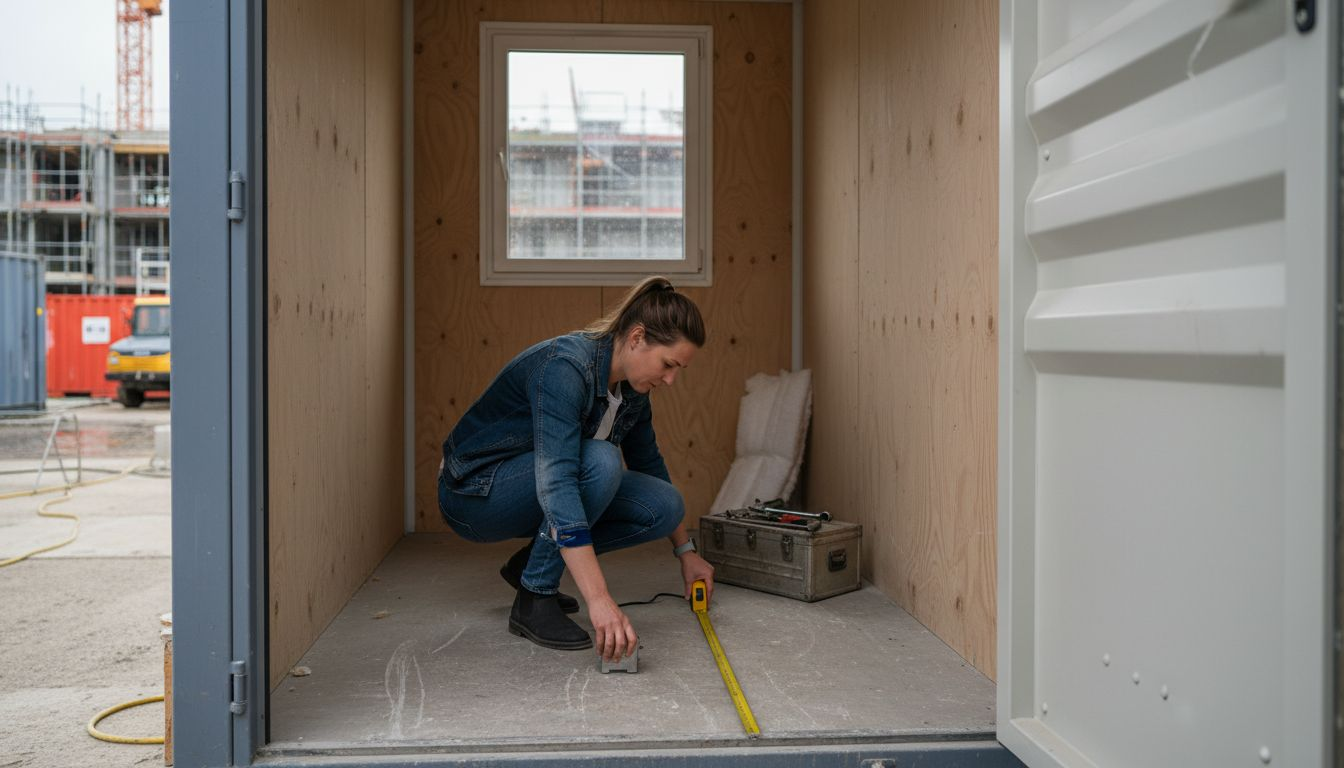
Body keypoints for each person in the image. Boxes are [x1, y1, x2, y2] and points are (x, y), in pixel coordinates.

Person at [438, 275, 716, 662]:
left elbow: (649, 464)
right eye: (668, 364)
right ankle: (534, 597)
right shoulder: (565, 367)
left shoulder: (633, 390)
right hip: (474, 495)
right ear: (637, 338)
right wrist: (599, 600)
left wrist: (686, 551)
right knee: (600, 462)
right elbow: (558, 483)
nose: (670, 379)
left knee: (665, 504)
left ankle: (532, 563)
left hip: (534, 490)